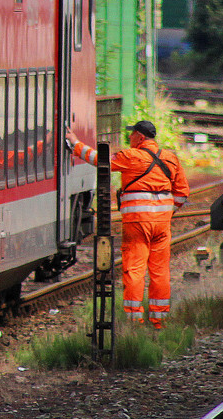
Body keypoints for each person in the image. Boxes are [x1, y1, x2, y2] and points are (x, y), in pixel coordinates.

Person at [64, 120, 188, 328]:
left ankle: (135, 320)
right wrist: (166, 212)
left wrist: (75, 144)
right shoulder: (171, 158)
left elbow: (100, 160)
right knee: (160, 270)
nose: (129, 138)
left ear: (140, 137)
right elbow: (182, 193)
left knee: (135, 269)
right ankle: (159, 319)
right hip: (161, 225)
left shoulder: (132, 157)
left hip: (138, 224)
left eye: (132, 135)